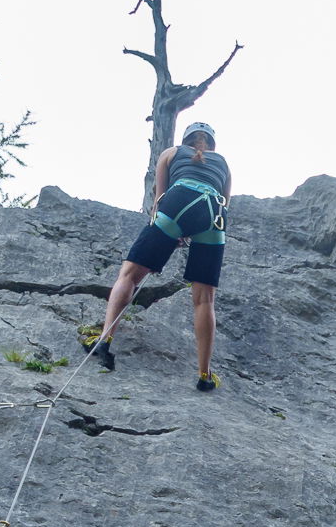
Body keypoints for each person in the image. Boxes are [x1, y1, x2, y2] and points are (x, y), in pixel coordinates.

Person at [88, 121, 232, 390]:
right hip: (214, 215)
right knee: (204, 300)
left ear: (185, 139)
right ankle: (205, 374)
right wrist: (191, 229)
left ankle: (105, 339)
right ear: (212, 145)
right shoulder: (223, 163)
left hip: (177, 202)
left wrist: (170, 233)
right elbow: (227, 202)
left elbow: (160, 196)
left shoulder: (170, 153)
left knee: (129, 275)